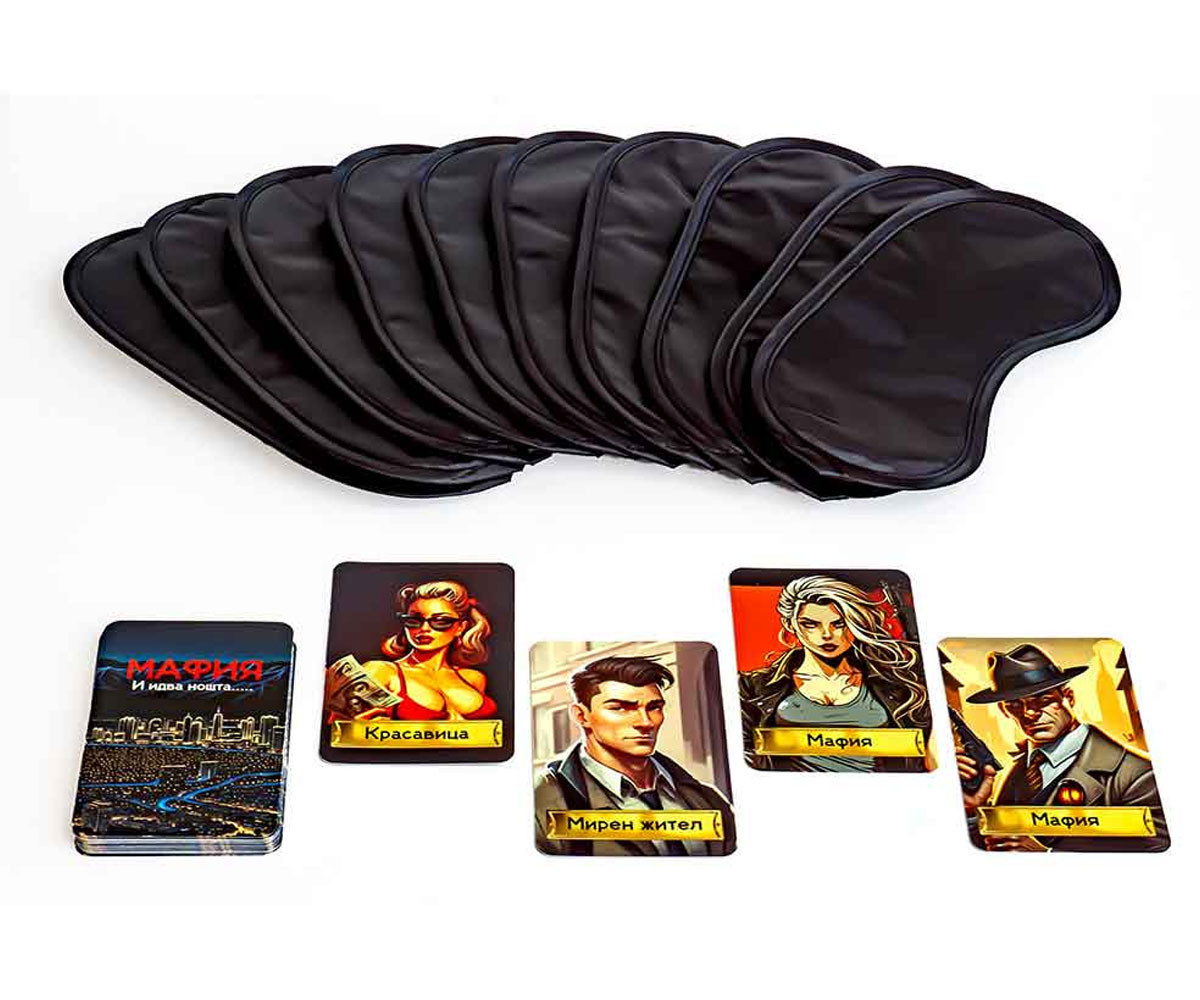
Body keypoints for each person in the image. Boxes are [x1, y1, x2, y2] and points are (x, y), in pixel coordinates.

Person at [956, 643, 1168, 852]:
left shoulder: (1136, 774)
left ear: (1069, 698)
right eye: (1015, 705)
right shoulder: (1014, 774)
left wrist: (1045, 854)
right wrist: (973, 811)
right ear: (1004, 711)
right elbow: (992, 844)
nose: (1029, 713)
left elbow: (1155, 849)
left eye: (1043, 700)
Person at [534, 655, 735, 856]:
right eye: (619, 708)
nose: (645, 722)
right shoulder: (543, 800)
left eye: (654, 707)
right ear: (581, 716)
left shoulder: (706, 798)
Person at [739, 575, 931, 771]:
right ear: (790, 624)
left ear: (856, 623)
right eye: (810, 624)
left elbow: (927, 752)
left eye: (839, 624)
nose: (827, 635)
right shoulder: (753, 687)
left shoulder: (897, 685)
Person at [329, 580, 496, 721]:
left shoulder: (474, 678)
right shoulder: (382, 671)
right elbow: (339, 727)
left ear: (461, 627)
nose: (424, 629)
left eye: (440, 621)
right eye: (414, 620)